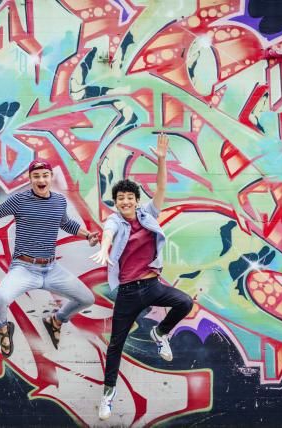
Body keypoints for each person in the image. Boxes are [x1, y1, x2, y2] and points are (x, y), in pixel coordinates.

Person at [90, 133, 194, 420]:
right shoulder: (114, 220)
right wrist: (104, 248)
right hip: (127, 292)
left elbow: (161, 188)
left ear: (137, 201)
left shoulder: (148, 215)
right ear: (116, 202)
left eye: (130, 197)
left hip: (151, 285)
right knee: (116, 345)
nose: (125, 201)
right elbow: (109, 232)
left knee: (185, 302)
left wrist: (161, 160)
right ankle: (108, 395)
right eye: (120, 198)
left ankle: (159, 333)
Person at [0, 159, 99, 357]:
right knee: (0, 298)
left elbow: (66, 223)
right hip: (24, 267)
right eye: (36, 176)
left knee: (86, 298)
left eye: (45, 175)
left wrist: (87, 235)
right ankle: (3, 328)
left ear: (51, 177)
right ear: (30, 179)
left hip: (51, 269)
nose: (41, 179)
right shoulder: (19, 200)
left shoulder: (59, 201)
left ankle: (56, 320)